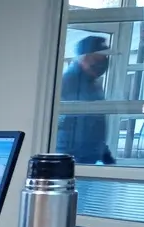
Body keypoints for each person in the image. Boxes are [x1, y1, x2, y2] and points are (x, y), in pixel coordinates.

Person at [56, 35, 116, 165]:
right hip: (72, 160)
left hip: (89, 158)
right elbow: (63, 126)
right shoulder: (67, 84)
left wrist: (104, 152)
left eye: (105, 57)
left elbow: (94, 124)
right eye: (98, 57)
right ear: (85, 57)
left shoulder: (93, 84)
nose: (104, 62)